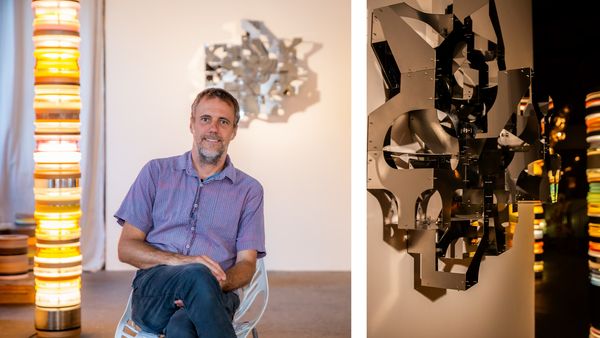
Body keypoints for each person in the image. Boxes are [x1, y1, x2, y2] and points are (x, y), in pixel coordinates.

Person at [115, 88, 265, 338]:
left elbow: (247, 264)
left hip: (219, 292)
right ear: (192, 124)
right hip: (155, 290)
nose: (213, 129)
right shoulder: (156, 172)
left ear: (234, 131)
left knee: (182, 328)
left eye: (223, 121)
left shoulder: (249, 190)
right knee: (196, 273)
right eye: (205, 119)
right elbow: (126, 249)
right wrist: (189, 264)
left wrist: (209, 284)